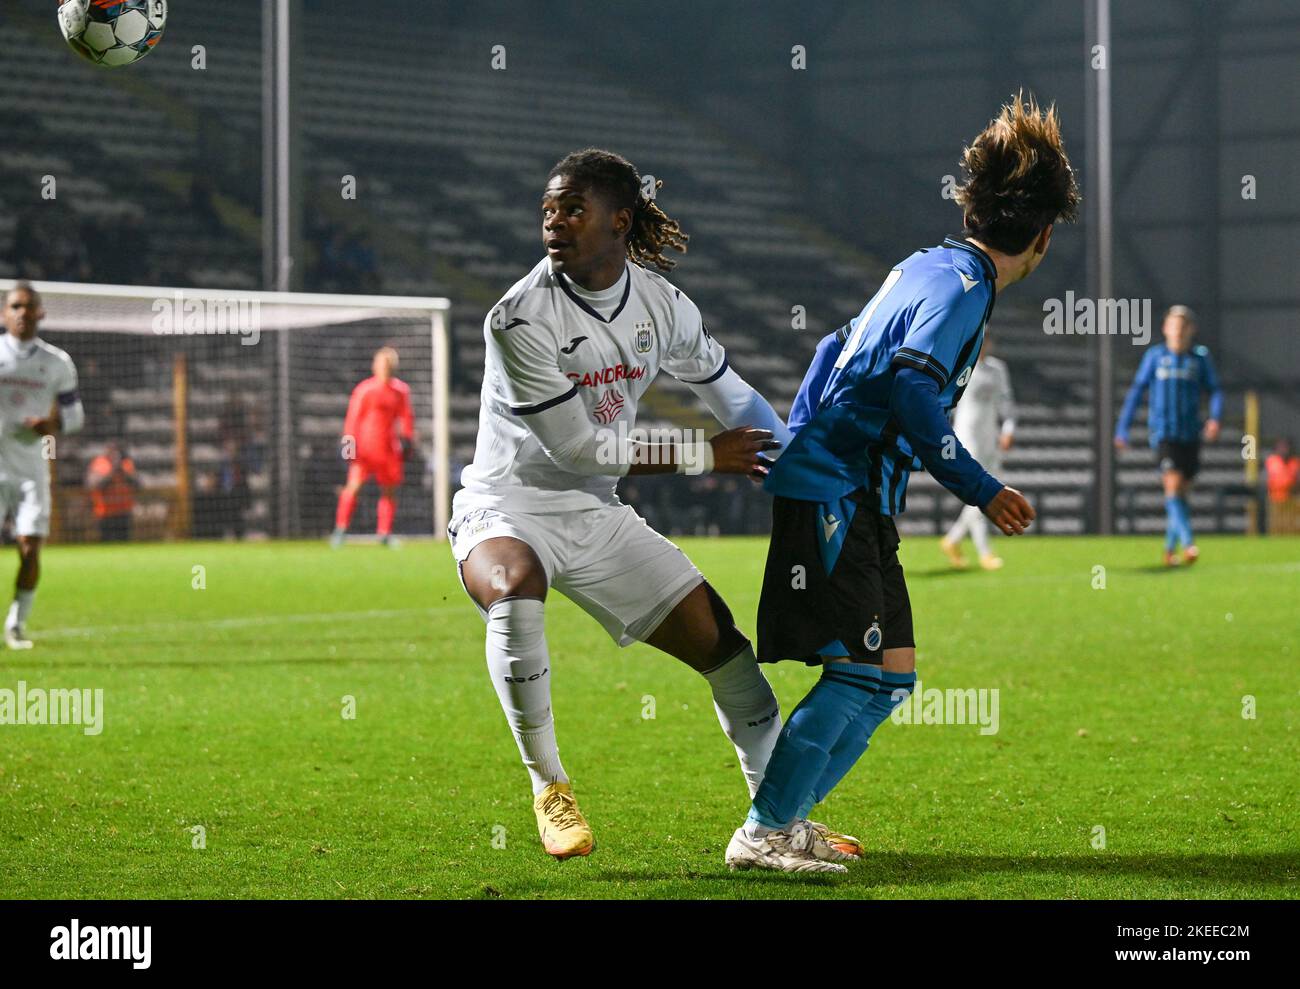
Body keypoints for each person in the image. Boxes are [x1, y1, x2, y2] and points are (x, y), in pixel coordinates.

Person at [450, 148, 858, 861]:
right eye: (548, 208)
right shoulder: (518, 319)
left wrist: (802, 466)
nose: (554, 221)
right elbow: (575, 447)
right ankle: (550, 785)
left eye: (572, 208)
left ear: (620, 220)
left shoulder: (661, 304)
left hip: (597, 516)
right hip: (508, 507)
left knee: (727, 651)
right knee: (516, 587)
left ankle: (778, 822)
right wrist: (703, 453)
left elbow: (732, 397)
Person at [724, 95, 1078, 874]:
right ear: (1045, 237)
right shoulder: (963, 291)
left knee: (892, 678)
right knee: (856, 669)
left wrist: (800, 437)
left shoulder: (925, 265)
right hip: (840, 491)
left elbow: (830, 346)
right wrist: (981, 486)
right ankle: (762, 829)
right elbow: (916, 392)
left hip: (856, 493)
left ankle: (791, 817)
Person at [0, 282, 87, 649]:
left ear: (41, 314)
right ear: (4, 313)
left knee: (31, 550)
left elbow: (76, 417)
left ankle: (17, 625)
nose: (23, 313)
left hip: (33, 470)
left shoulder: (57, 363)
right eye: (16, 306)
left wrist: (51, 425)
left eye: (29, 307)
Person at [1114, 306, 1223, 566]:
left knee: (1181, 494)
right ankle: (1189, 544)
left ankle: (1168, 549)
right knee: (1172, 487)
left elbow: (1216, 390)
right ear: (1165, 329)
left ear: (1191, 330)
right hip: (1164, 435)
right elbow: (1136, 393)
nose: (1178, 331)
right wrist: (1122, 428)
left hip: (1191, 435)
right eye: (1173, 325)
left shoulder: (1199, 358)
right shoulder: (1155, 357)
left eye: (1183, 326)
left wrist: (1215, 419)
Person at [939, 337, 1017, 570]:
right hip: (966, 436)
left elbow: (1006, 401)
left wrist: (1008, 427)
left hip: (988, 437)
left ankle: (952, 539)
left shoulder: (997, 369)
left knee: (990, 489)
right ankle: (984, 553)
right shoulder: (961, 366)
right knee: (983, 490)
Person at [331, 347, 414, 548]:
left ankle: (384, 533)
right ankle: (340, 530)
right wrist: (349, 445)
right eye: (383, 363)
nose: (386, 368)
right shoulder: (365, 390)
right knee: (353, 487)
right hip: (365, 449)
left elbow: (406, 418)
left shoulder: (401, 391)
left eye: (389, 364)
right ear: (375, 366)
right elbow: (353, 419)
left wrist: (408, 439)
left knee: (389, 491)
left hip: (388, 448)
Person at [85, 441, 139, 542]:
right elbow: (94, 485)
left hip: (124, 512)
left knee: (124, 543)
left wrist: (122, 471)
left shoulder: (126, 464)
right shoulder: (99, 464)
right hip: (105, 514)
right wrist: (112, 472)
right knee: (106, 543)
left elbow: (137, 484)